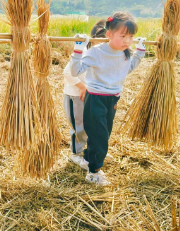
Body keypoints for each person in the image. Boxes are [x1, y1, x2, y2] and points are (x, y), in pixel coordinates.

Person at [70, 12, 146, 186]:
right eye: (123, 36)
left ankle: (90, 159)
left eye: (131, 36)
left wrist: (140, 52)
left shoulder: (125, 53)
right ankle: (94, 173)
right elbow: (76, 71)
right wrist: (78, 49)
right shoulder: (96, 52)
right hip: (95, 98)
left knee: (104, 133)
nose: (127, 40)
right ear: (109, 34)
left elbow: (128, 68)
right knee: (100, 136)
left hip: (112, 99)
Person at [63, 19, 107, 170]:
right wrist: (82, 87)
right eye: (102, 42)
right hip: (76, 95)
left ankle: (89, 152)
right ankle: (76, 153)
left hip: (91, 96)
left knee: (90, 125)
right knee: (79, 126)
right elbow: (67, 72)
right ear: (94, 41)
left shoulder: (103, 56)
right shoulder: (85, 53)